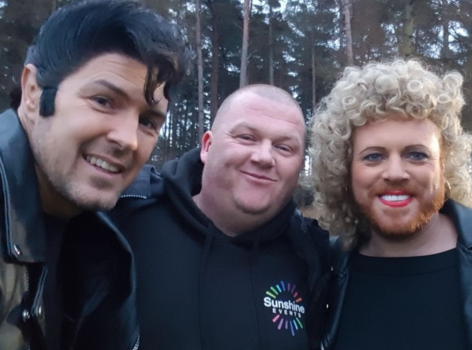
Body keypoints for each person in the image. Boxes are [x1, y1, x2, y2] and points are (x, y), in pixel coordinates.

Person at [309, 59, 472, 350]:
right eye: (373, 156)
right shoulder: (324, 270)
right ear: (345, 170)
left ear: (444, 164)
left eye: (416, 155)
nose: (395, 173)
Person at [0, 1, 190, 349]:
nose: (128, 139)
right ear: (33, 91)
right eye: (103, 101)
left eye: (147, 121)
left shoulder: (100, 241)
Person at [111, 84, 330, 350]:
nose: (263, 157)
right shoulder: (123, 214)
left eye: (284, 148)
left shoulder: (312, 255)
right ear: (207, 146)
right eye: (246, 137)